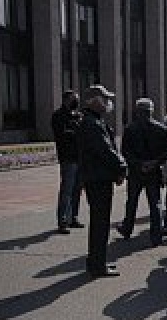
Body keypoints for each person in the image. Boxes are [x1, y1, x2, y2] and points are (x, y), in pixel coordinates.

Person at [77, 84, 127, 278]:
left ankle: (96, 262)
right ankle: (97, 265)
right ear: (94, 101)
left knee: (100, 222)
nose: (108, 103)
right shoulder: (92, 123)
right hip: (98, 179)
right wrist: (122, 167)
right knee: (100, 223)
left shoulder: (93, 121)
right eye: (105, 99)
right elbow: (105, 151)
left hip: (97, 177)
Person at [117, 98, 167, 247]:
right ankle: (156, 235)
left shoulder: (130, 129)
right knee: (155, 203)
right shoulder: (161, 129)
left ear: (137, 111)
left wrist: (138, 163)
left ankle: (127, 229)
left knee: (132, 202)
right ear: (151, 111)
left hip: (136, 171)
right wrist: (154, 162)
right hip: (153, 171)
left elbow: (125, 151)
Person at [51, 90, 84, 234]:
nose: (76, 102)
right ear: (66, 100)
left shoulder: (78, 115)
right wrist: (76, 130)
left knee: (77, 190)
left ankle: (73, 217)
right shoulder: (59, 116)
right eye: (73, 99)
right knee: (67, 190)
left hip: (79, 157)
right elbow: (63, 135)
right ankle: (62, 220)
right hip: (68, 158)